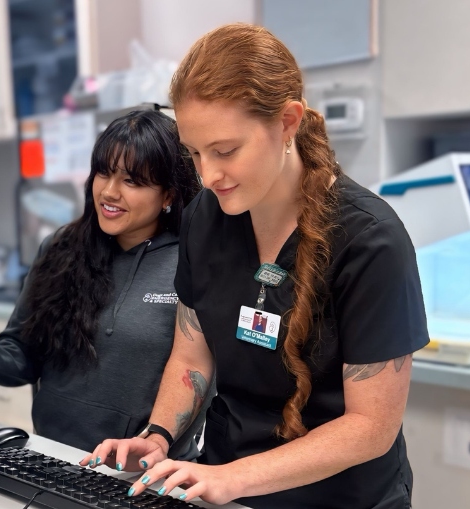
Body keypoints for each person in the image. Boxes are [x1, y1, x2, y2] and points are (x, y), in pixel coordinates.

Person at [82, 24, 429, 509]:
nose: (208, 174)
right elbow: (191, 354)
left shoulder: (370, 241)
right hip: (228, 487)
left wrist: (238, 477)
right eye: (195, 153)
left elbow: (371, 427)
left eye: (225, 151)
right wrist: (159, 436)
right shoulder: (207, 216)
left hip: (338, 498)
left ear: (288, 122)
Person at [0, 109, 207, 460]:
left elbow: (198, 368)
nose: (109, 192)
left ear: (169, 195)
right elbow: (22, 357)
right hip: (52, 456)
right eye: (104, 173)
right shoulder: (61, 248)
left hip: (144, 470)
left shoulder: (193, 261)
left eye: (132, 181)